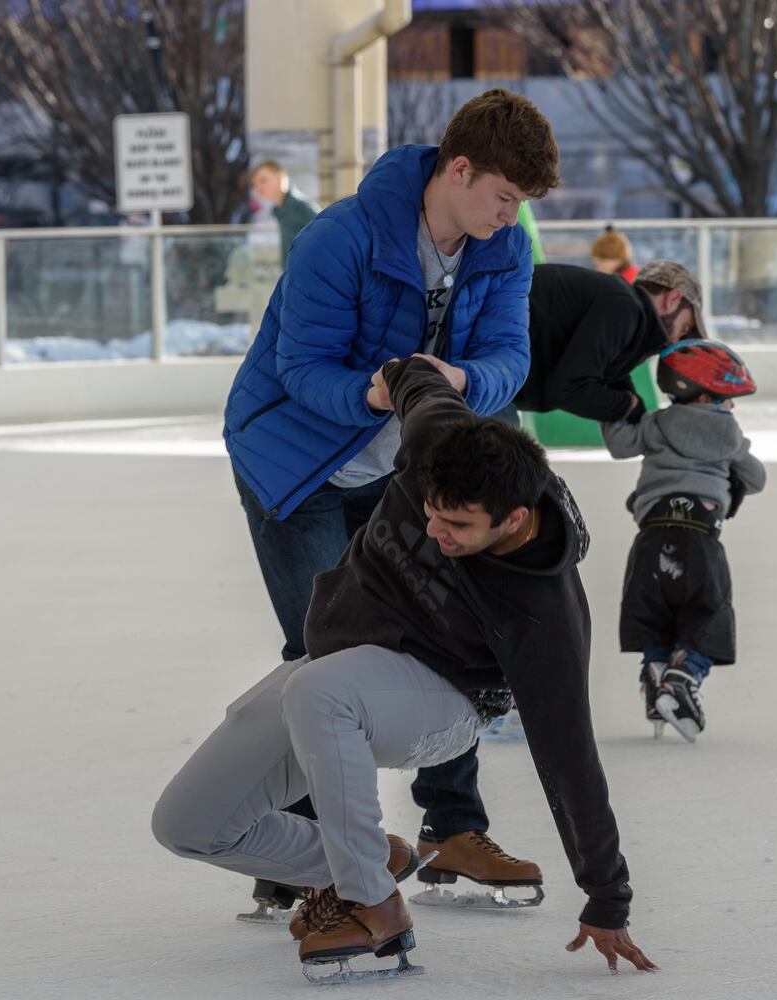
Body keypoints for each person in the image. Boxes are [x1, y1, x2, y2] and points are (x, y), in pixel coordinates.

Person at [155, 357, 657, 982]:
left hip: (447, 703)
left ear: (514, 519)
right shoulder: (436, 437)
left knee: (319, 691)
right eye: (432, 513)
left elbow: (570, 759)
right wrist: (391, 376)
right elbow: (415, 374)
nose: (437, 532)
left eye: (459, 526)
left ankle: (373, 906)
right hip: (341, 671)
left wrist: (607, 896)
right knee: (187, 824)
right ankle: (371, 861)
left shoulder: (542, 611)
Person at [223, 89, 560, 922]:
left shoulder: (502, 248)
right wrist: (374, 391)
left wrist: (464, 381)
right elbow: (300, 369)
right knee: (320, 652)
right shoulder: (339, 238)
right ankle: (301, 857)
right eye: (504, 196)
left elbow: (509, 354)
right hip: (296, 466)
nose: (512, 216)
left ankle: (453, 828)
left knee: (437, 636)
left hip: (404, 469)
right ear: (459, 169)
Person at [601, 340, 765, 743]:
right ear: (707, 396)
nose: (731, 410)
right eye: (728, 401)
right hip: (700, 540)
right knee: (708, 614)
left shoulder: (656, 424)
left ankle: (656, 677)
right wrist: (735, 465)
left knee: (656, 614)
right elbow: (757, 478)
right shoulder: (729, 435)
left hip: (650, 540)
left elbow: (620, 444)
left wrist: (615, 404)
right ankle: (683, 675)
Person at [513, 260, 705, 424]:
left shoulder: (620, 303)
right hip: (487, 361)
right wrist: (630, 405)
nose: (675, 341)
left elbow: (609, 373)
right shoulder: (623, 308)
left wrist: (636, 411)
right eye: (685, 327)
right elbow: (567, 390)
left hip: (493, 363)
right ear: (672, 299)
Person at [249, 160, 321, 267]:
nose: (258, 188)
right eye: (255, 184)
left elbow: (326, 236)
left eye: (263, 180)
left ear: (280, 178)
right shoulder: (281, 210)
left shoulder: (300, 206)